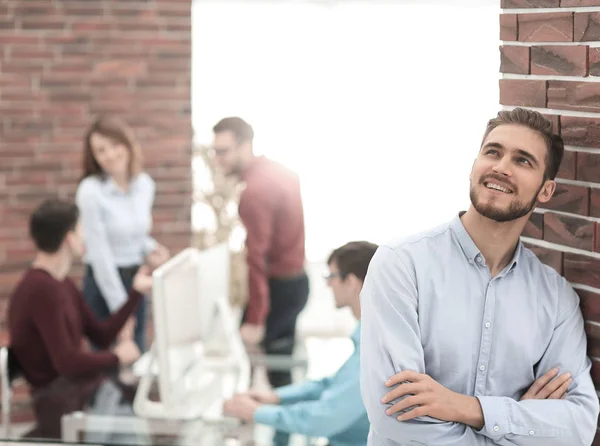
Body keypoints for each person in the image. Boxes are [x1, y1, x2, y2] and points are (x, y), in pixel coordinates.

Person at [360, 108, 600, 446]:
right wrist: (517, 424)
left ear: (546, 191)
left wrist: (468, 409)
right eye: (493, 152)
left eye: (523, 161)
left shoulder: (556, 297)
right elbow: (397, 419)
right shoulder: (401, 265)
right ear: (475, 165)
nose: (501, 167)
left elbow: (577, 427)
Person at [223, 241, 377, 446]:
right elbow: (331, 386)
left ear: (351, 283)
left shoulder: (377, 349)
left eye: (331, 277)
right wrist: (275, 397)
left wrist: (257, 412)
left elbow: (324, 418)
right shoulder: (368, 335)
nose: (328, 284)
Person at [8, 199, 150, 390]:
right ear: (69, 238)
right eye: (81, 230)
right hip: (56, 399)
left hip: (75, 391)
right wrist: (118, 356)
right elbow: (66, 362)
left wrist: (135, 292)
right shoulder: (39, 289)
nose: (85, 237)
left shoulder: (63, 283)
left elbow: (102, 336)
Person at [212, 117, 309, 389]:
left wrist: (255, 318)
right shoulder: (279, 171)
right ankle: (277, 427)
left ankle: (264, 426)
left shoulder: (255, 191)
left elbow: (256, 258)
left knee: (275, 371)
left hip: (280, 288)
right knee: (281, 368)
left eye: (223, 151)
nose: (217, 159)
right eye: (215, 151)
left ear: (246, 146)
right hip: (295, 283)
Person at [76, 116, 169, 353]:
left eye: (114, 145)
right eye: (100, 150)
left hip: (134, 282)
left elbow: (135, 234)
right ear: (94, 157)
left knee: (136, 358)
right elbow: (99, 252)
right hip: (103, 282)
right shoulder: (91, 191)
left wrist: (150, 249)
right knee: (107, 366)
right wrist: (121, 310)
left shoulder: (144, 185)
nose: (110, 154)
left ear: (127, 144)